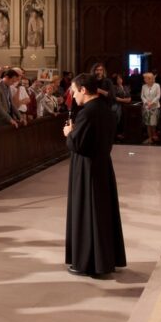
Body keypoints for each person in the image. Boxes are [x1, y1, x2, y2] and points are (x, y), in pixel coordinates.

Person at [63, 73, 126, 278]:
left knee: (87, 212)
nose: (72, 95)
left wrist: (69, 133)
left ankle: (87, 263)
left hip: (87, 168)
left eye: (74, 91)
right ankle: (105, 259)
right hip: (102, 165)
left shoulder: (88, 112)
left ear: (83, 90)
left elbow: (79, 144)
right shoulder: (105, 109)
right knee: (101, 213)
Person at [141, 72, 161, 144]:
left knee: (153, 123)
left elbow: (158, 96)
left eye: (145, 78)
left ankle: (154, 136)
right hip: (146, 107)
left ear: (150, 79)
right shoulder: (144, 86)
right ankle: (149, 137)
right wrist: (146, 102)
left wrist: (152, 103)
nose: (144, 79)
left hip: (154, 107)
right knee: (148, 123)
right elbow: (142, 96)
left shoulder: (157, 86)